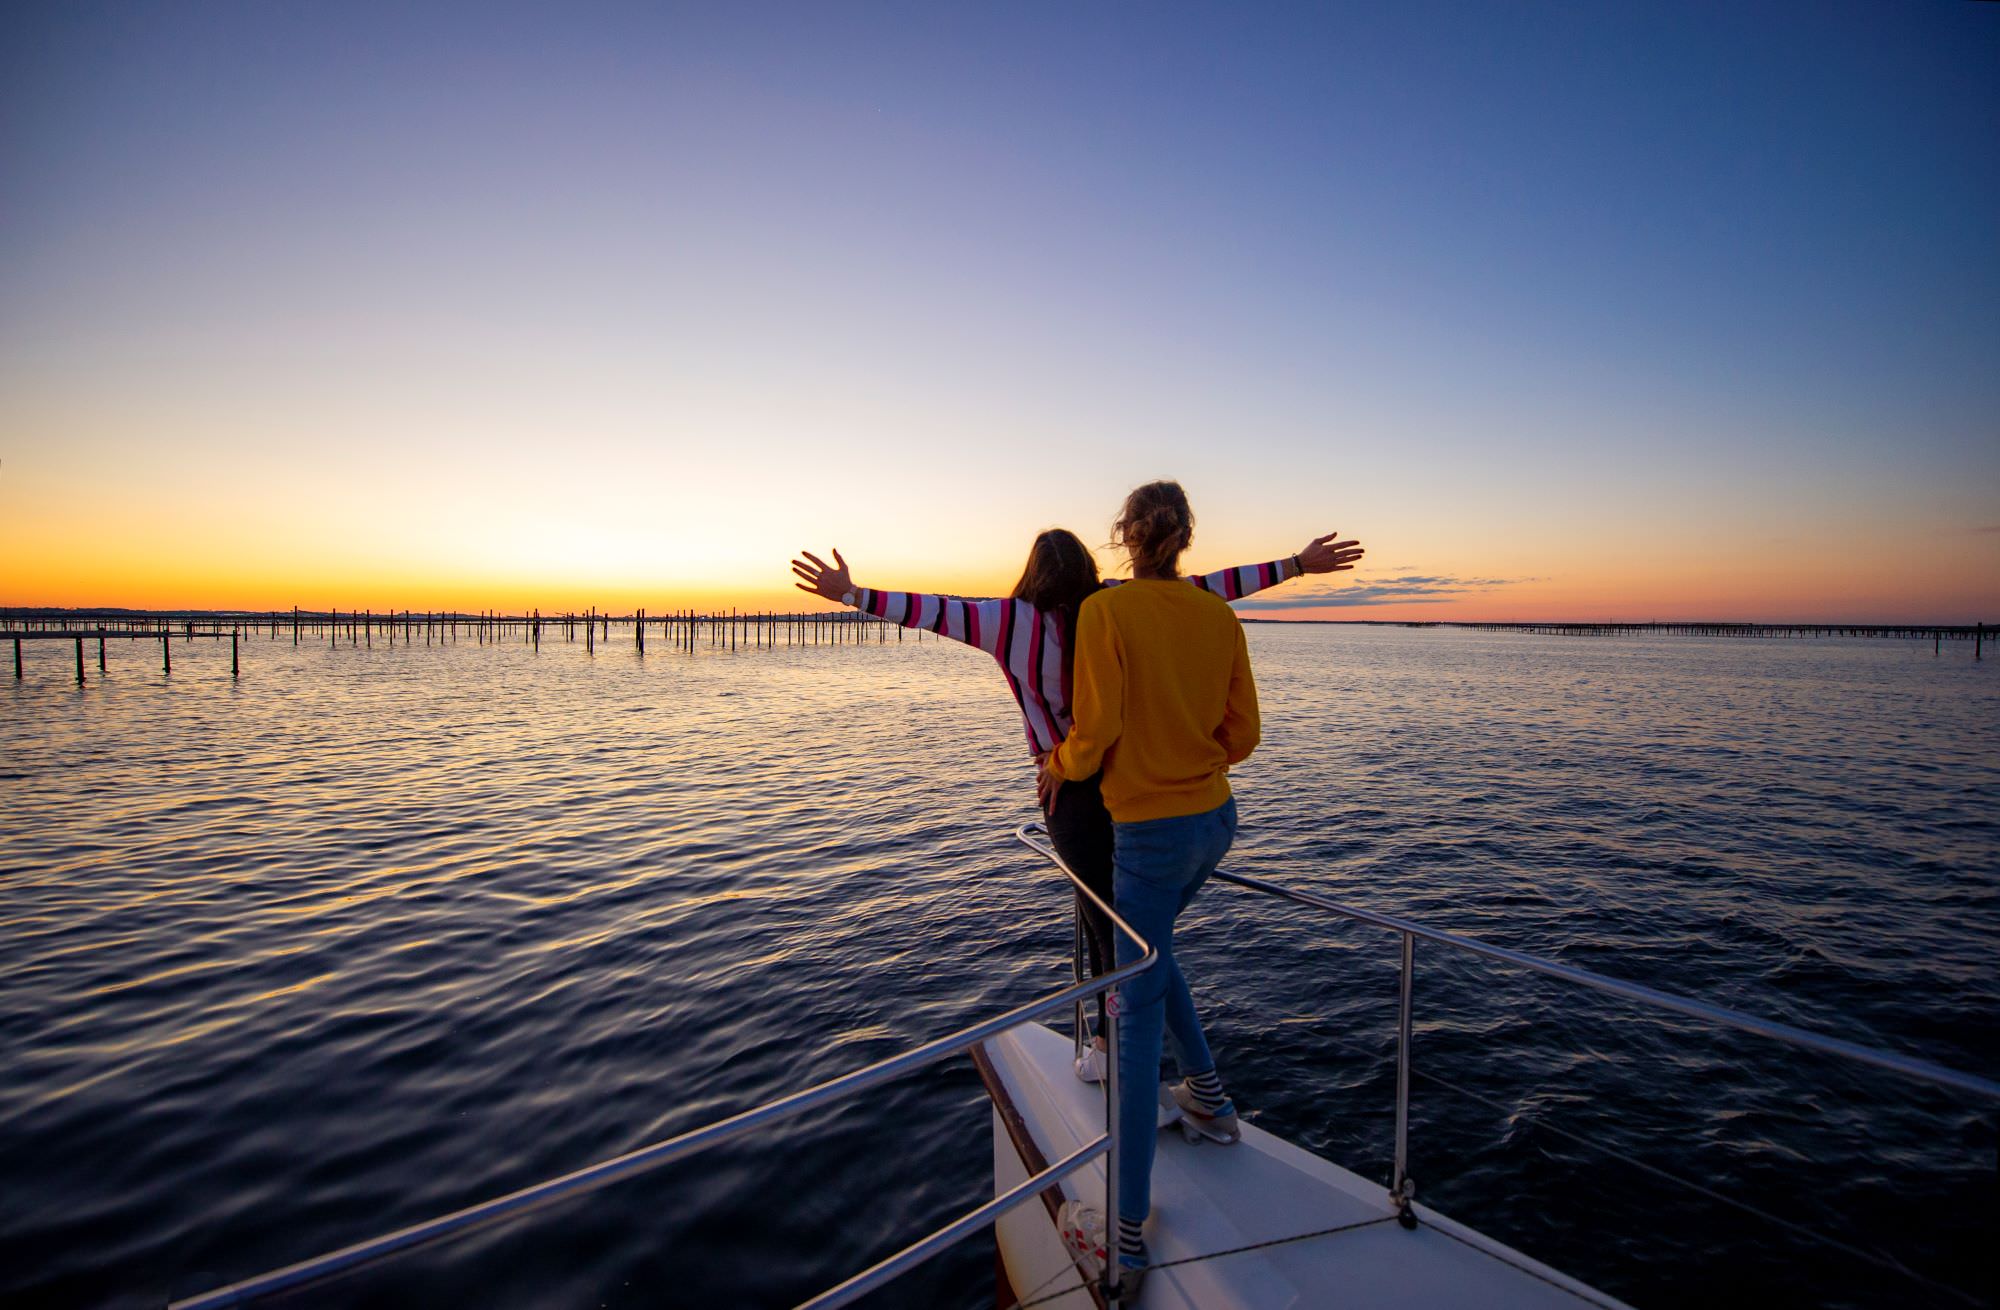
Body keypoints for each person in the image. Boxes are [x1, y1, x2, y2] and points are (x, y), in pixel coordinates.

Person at [790, 523, 1362, 1082]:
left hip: (1066, 786)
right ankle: (1158, 1064)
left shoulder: (1003, 620)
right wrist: (1295, 565)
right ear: (1089, 569)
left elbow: (929, 610)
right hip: (1131, 778)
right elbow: (1209, 588)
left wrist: (850, 593)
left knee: (1105, 926)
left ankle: (1118, 1058)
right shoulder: (1112, 603)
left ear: (1032, 572)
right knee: (1128, 929)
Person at [1038, 480, 1259, 1299]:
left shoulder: (1106, 613)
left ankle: (1124, 1240)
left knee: (1132, 1018)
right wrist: (1191, 760)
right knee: (1153, 957)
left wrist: (1054, 766)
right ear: (1187, 536)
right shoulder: (1216, 614)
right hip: (1215, 821)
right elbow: (1246, 734)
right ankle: (1211, 1101)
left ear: (1126, 535)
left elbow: (1092, 737)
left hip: (1149, 834)